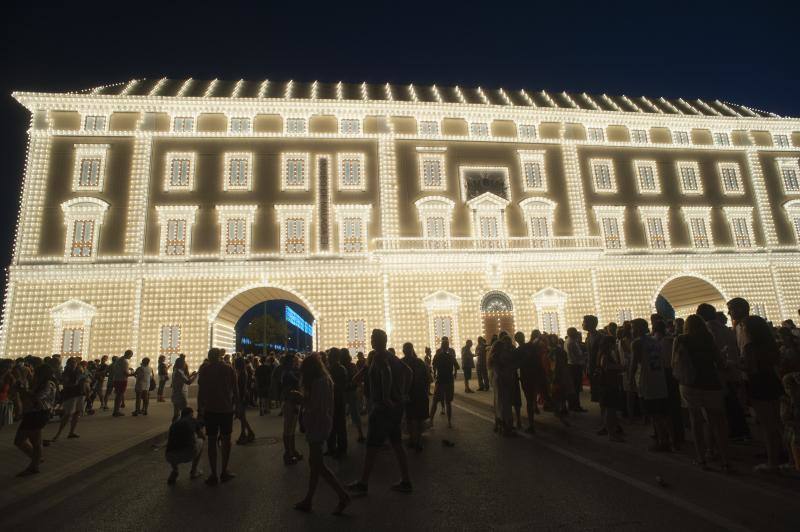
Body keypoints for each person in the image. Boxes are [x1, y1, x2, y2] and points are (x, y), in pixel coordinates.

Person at [347, 328, 413, 495]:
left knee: (371, 447)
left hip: (382, 409)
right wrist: (403, 393)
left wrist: (385, 397)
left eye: (373, 338)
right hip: (394, 409)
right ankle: (406, 481)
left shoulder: (380, 357)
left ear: (379, 341)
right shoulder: (390, 357)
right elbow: (409, 372)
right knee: (397, 445)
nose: (371, 340)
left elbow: (386, 374)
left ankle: (363, 484)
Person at [728, 297, 785, 473]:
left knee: (766, 422)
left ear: (739, 310)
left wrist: (732, 363)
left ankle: (772, 462)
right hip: (770, 376)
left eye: (730, 309)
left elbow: (749, 362)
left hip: (757, 379)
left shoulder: (744, 327)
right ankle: (784, 455)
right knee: (777, 421)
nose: (729, 313)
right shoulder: (760, 325)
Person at [292, 353, 351, 515]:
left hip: (317, 425)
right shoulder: (326, 380)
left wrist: (300, 399)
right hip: (322, 423)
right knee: (314, 464)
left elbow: (314, 406)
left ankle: (342, 495)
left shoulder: (318, 383)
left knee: (318, 465)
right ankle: (309, 499)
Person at [673, 314, 731, 471]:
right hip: (711, 382)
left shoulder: (681, 339)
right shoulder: (708, 339)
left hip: (690, 384)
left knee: (696, 421)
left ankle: (701, 458)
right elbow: (719, 362)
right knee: (717, 423)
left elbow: (674, 363)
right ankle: (725, 460)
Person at [197, 347, 239, 485]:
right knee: (226, 441)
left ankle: (214, 474)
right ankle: (224, 471)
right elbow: (236, 389)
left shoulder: (205, 370)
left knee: (211, 441)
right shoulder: (228, 369)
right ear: (220, 356)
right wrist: (238, 406)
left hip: (210, 410)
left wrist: (200, 410)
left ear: (210, 357)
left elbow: (201, 391)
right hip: (226, 410)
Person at [630, 319, 671, 451]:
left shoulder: (637, 343)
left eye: (633, 327)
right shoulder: (654, 341)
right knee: (661, 413)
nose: (632, 330)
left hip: (647, 381)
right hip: (659, 379)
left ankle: (662, 441)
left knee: (654, 414)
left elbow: (634, 364)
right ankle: (665, 438)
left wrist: (630, 380)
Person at [14, 363, 56, 476]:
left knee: (22, 440)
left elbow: (36, 397)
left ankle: (35, 463)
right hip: (35, 414)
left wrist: (22, 391)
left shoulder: (48, 384)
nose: (35, 374)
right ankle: (36, 461)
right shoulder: (39, 383)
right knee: (35, 441)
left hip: (38, 414)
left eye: (38, 372)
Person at [402, 342, 430, 450]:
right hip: (419, 394)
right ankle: (417, 441)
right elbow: (427, 378)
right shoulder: (419, 362)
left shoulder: (401, 362)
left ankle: (412, 440)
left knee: (410, 418)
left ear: (405, 351)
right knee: (417, 419)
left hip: (408, 395)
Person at [166, 407, 205, 484]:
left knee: (174, 445)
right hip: (188, 454)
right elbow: (202, 436)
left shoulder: (173, 424)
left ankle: (175, 470)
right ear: (190, 414)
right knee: (201, 441)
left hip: (170, 456)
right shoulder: (192, 420)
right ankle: (194, 471)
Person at [597, 335, 625, 442]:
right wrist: (620, 367)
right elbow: (607, 367)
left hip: (607, 385)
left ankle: (611, 431)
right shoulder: (606, 355)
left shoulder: (603, 354)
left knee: (608, 409)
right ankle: (611, 434)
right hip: (609, 385)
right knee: (610, 410)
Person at [430, 336, 459, 428]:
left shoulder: (437, 356)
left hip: (440, 380)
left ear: (441, 346)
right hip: (449, 380)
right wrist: (454, 373)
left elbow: (434, 366)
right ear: (448, 347)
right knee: (448, 402)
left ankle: (431, 421)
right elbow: (457, 367)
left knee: (435, 401)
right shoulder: (451, 356)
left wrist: (434, 374)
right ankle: (449, 422)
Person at [280, 353, 303, 465]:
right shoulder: (287, 374)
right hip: (290, 403)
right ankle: (288, 453)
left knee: (291, 429)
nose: (295, 362)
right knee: (288, 429)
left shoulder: (288, 373)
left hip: (292, 402)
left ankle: (291, 451)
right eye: (293, 360)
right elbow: (287, 390)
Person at [515, 331, 540, 434]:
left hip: (526, 377)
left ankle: (531, 424)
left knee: (529, 399)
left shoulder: (517, 351)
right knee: (532, 398)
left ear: (516, 340)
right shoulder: (531, 346)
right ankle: (534, 410)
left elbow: (516, 365)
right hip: (534, 375)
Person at [326, 348, 349, 458]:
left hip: (338, 399)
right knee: (332, 424)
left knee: (338, 424)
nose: (328, 358)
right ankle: (332, 447)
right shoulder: (335, 368)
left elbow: (341, 385)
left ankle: (340, 448)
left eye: (330, 356)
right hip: (333, 399)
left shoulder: (339, 369)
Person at [341, 351, 365, 443]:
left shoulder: (341, 367)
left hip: (343, 392)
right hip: (352, 391)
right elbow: (357, 378)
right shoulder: (352, 366)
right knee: (355, 412)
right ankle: (360, 433)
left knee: (343, 413)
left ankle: (343, 435)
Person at [565, 327, 588, 412]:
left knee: (572, 387)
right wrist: (585, 356)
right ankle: (576, 406)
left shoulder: (567, 341)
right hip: (575, 366)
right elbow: (578, 356)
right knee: (576, 388)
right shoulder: (572, 343)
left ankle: (572, 405)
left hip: (570, 366)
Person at [234, 356, 255, 445]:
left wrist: (239, 399)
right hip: (243, 396)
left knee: (241, 416)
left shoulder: (241, 373)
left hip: (241, 397)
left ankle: (246, 434)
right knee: (241, 416)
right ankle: (247, 433)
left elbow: (241, 387)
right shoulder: (242, 372)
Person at [171, 357, 197, 423]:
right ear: (182, 364)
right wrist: (195, 376)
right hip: (180, 395)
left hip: (175, 394)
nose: (185, 364)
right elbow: (188, 382)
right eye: (184, 363)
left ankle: (174, 427)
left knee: (176, 413)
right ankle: (182, 427)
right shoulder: (179, 373)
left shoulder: (176, 371)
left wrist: (191, 375)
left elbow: (184, 379)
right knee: (186, 413)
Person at [112, 350, 134, 417]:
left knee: (118, 395)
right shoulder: (124, 362)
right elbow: (125, 373)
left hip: (116, 379)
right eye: (131, 355)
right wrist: (133, 374)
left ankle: (116, 410)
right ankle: (116, 411)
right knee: (119, 395)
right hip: (122, 380)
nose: (131, 356)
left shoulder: (118, 360)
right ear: (128, 354)